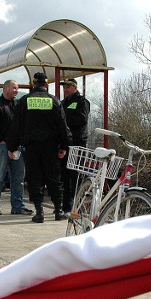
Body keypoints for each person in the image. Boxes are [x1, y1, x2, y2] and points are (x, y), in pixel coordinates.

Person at [7, 72, 71, 223]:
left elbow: (16, 127)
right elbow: (62, 125)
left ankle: (39, 212)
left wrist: (12, 147)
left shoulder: (24, 101)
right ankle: (58, 211)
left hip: (31, 147)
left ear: (34, 84)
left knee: (34, 178)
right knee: (54, 178)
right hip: (50, 146)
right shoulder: (54, 100)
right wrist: (63, 146)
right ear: (46, 85)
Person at [0, 79, 32, 216]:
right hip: (2, 147)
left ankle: (18, 206)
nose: (16, 91)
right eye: (14, 88)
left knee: (18, 178)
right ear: (5, 89)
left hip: (17, 147)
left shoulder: (18, 105)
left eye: (17, 88)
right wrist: (1, 141)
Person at [59, 78, 90, 212]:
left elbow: (82, 119)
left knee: (75, 175)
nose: (65, 89)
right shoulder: (62, 102)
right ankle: (66, 205)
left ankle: (76, 204)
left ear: (75, 87)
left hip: (77, 142)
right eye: (64, 87)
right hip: (65, 143)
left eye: (68, 87)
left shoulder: (82, 102)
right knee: (65, 175)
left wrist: (64, 119)